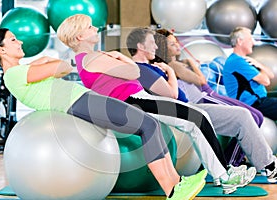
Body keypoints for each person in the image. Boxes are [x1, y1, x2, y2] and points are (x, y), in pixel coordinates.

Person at [0, 28, 208, 200]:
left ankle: (176, 183)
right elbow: (63, 67)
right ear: (1, 50)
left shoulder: (22, 71)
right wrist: (48, 60)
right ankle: (172, 189)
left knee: (150, 124)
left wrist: (43, 61)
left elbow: (55, 68)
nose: (19, 42)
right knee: (147, 125)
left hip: (83, 99)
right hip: (79, 103)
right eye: (13, 40)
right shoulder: (14, 75)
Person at [57, 14, 255, 194]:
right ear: (79, 37)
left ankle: (222, 174)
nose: (95, 28)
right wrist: (119, 57)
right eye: (89, 27)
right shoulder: (90, 58)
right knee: (196, 118)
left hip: (139, 98)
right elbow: (134, 72)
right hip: (134, 101)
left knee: (196, 118)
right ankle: (223, 175)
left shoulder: (91, 57)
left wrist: (120, 59)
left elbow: (129, 71)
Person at [126, 27, 277, 184]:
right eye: (152, 43)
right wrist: (170, 71)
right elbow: (172, 94)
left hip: (191, 106)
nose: (156, 47)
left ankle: (267, 165)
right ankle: (236, 169)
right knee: (244, 115)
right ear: (141, 46)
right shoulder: (143, 69)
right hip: (185, 109)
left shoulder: (153, 66)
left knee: (243, 115)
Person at [152, 28, 265, 167]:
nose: (177, 45)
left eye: (176, 42)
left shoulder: (178, 64)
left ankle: (235, 159)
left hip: (208, 95)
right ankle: (232, 161)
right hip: (204, 97)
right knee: (252, 117)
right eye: (172, 44)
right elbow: (201, 81)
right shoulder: (174, 65)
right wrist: (192, 63)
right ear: (163, 47)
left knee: (256, 116)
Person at [223, 26, 277, 122]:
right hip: (253, 104)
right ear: (240, 41)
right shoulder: (237, 62)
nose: (253, 42)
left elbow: (271, 75)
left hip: (258, 102)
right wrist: (260, 67)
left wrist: (259, 64)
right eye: (250, 39)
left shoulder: (244, 61)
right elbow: (266, 81)